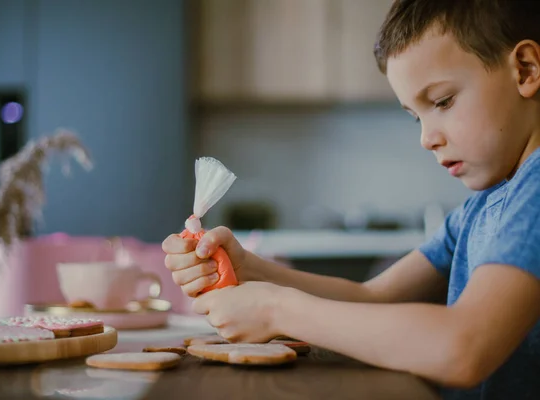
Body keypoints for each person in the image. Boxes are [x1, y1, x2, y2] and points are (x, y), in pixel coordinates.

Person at [161, 1, 540, 398]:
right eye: (416, 116)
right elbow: (375, 298)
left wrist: (276, 310)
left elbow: (464, 348)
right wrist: (250, 268)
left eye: (442, 102)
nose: (427, 138)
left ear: (526, 69)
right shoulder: (482, 207)